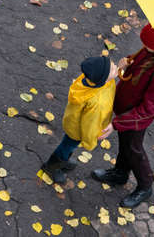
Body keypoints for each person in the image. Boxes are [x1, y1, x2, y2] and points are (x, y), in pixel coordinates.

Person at [92, 23, 154, 208]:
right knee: (126, 145)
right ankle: (120, 173)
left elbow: (149, 110)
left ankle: (145, 186)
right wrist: (126, 63)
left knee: (134, 150)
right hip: (127, 111)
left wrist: (117, 123)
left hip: (136, 118)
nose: (144, 47)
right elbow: (140, 65)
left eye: (148, 44)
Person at [41, 56, 119, 184]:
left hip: (72, 121)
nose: (115, 67)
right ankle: (52, 166)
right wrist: (90, 140)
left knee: (68, 145)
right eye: (112, 69)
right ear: (103, 79)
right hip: (78, 130)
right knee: (67, 146)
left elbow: (107, 78)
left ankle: (63, 160)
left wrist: (119, 69)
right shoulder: (97, 103)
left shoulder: (89, 80)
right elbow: (90, 125)